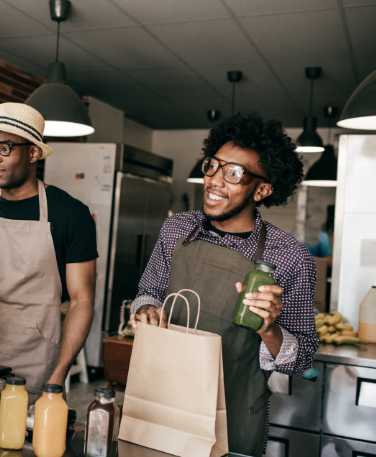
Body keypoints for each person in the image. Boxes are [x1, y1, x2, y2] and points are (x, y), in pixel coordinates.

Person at [129, 112, 318, 457]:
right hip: (161, 400)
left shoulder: (291, 256)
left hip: (232, 415)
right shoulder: (176, 229)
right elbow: (148, 291)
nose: (215, 180)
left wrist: (269, 329)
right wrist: (144, 309)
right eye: (213, 166)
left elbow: (303, 358)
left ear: (262, 189)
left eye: (234, 173)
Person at [0, 103, 98, 403]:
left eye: (5, 148)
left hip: (37, 360)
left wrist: (58, 376)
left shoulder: (71, 215)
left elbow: (82, 301)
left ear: (33, 153)